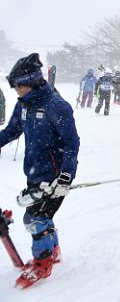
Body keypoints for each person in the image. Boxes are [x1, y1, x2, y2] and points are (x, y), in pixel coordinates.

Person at [0, 54, 80, 289]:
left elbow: (71, 143)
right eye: (15, 86)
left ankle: (42, 265)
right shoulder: (24, 104)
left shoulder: (56, 106)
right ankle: (53, 251)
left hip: (55, 177)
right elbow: (12, 130)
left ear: (33, 82)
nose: (17, 91)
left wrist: (66, 176)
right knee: (43, 217)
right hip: (35, 173)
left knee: (35, 219)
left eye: (20, 85)